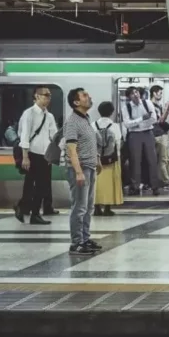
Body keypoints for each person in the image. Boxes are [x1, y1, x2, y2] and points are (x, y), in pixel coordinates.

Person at [64, 88, 103, 256]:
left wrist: (97, 160)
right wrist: (78, 171)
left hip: (90, 167)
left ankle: (85, 239)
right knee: (79, 207)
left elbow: (89, 142)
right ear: (76, 102)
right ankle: (76, 243)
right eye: (85, 95)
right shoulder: (72, 121)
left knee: (88, 207)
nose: (89, 97)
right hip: (80, 169)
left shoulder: (86, 118)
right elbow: (71, 149)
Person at [14, 86, 58, 225]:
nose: (48, 98)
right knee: (31, 185)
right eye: (45, 95)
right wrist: (25, 156)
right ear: (36, 96)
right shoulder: (29, 113)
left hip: (44, 155)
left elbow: (53, 136)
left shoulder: (49, 116)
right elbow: (24, 135)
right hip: (32, 154)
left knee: (42, 186)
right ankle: (29, 211)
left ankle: (30, 212)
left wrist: (53, 154)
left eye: (49, 96)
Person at [121, 86, 162, 196]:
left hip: (148, 133)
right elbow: (127, 124)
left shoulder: (147, 103)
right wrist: (142, 119)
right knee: (135, 161)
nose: (136, 94)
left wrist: (138, 124)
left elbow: (153, 119)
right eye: (132, 93)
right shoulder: (127, 107)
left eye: (136, 92)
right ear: (129, 97)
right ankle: (135, 186)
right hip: (134, 135)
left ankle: (155, 186)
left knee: (152, 160)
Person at [93, 101, 124, 216]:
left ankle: (96, 207)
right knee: (110, 183)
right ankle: (107, 208)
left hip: (96, 160)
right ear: (112, 112)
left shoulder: (93, 125)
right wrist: (118, 159)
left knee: (96, 183)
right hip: (111, 160)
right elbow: (118, 143)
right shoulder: (115, 126)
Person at [149, 85, 169, 188]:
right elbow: (159, 120)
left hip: (163, 134)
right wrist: (166, 110)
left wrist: (166, 110)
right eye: (159, 93)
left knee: (167, 158)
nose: (160, 95)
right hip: (157, 135)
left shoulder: (158, 106)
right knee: (163, 159)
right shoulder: (151, 105)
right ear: (154, 93)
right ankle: (166, 180)